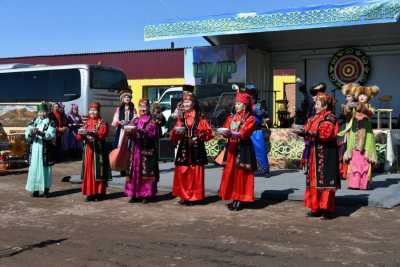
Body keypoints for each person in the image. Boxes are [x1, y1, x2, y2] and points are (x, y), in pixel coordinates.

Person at [298, 93, 340, 219]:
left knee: (325, 181)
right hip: (314, 154)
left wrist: (308, 132)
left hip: (326, 154)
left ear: (325, 106)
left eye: (317, 104)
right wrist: (302, 131)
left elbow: (325, 134)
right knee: (314, 181)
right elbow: (307, 129)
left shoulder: (331, 118)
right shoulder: (313, 118)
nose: (315, 106)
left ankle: (326, 209)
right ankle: (316, 207)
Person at [171, 85, 213, 205]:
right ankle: (184, 196)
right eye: (184, 102)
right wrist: (176, 131)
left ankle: (194, 196)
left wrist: (199, 135)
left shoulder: (199, 117)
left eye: (188, 101)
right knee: (183, 170)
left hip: (196, 147)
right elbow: (175, 133)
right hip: (184, 146)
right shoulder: (181, 116)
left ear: (193, 103)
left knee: (195, 172)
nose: (186, 104)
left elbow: (208, 132)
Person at [219, 85, 257, 211]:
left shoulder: (250, 118)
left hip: (243, 148)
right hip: (231, 148)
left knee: (241, 174)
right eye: (236, 103)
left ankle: (240, 198)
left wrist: (233, 133)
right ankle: (233, 197)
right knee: (231, 173)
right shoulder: (231, 118)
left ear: (245, 105)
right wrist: (224, 133)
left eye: (239, 104)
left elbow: (245, 132)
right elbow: (226, 128)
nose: (236, 106)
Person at [343, 85, 379, 190]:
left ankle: (363, 184)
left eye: (364, 95)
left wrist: (360, 108)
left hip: (366, 137)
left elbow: (369, 113)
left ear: (368, 97)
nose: (362, 97)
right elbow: (346, 113)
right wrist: (348, 107)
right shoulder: (353, 106)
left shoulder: (369, 108)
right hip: (354, 136)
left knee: (364, 161)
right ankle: (354, 183)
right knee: (354, 159)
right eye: (360, 95)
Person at [124, 99, 159, 203]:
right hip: (136, 150)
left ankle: (146, 195)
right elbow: (130, 134)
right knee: (134, 172)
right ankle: (134, 194)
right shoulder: (135, 120)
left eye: (145, 106)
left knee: (146, 172)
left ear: (148, 108)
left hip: (147, 150)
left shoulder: (152, 120)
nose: (143, 109)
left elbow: (153, 134)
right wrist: (129, 131)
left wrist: (141, 131)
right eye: (141, 106)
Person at [76, 102, 111, 202]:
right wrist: (81, 134)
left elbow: (102, 134)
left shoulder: (102, 122)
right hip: (89, 151)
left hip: (98, 151)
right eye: (91, 110)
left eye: (94, 110)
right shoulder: (86, 123)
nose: (92, 112)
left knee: (98, 171)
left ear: (98, 111)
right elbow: (78, 137)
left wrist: (94, 134)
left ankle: (99, 193)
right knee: (89, 172)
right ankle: (90, 193)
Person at [25, 102, 56, 198]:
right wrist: (31, 133)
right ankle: (35, 189)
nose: (42, 114)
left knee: (46, 169)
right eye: (40, 112)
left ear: (47, 112)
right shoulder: (34, 121)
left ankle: (46, 190)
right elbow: (26, 133)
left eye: (44, 112)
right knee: (34, 169)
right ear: (38, 113)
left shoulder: (51, 122)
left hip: (45, 150)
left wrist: (39, 132)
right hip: (34, 149)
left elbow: (50, 135)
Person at [112, 87, 136, 176]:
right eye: (126, 97)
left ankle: (128, 167)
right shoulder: (119, 109)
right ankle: (121, 167)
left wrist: (131, 122)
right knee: (121, 148)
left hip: (129, 132)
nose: (127, 98)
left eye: (129, 97)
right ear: (122, 98)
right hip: (122, 132)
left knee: (129, 149)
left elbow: (135, 118)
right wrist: (119, 122)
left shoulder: (133, 108)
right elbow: (115, 120)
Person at [246, 84, 270, 176]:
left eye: (252, 93)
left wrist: (257, 111)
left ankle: (264, 169)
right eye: (249, 93)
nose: (250, 95)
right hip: (246, 130)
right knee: (245, 150)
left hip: (257, 130)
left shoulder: (260, 102)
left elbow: (265, 114)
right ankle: (248, 168)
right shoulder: (245, 103)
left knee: (260, 150)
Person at [337, 83, 358, 180]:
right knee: (343, 149)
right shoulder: (344, 106)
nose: (347, 98)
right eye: (346, 96)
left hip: (355, 129)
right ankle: (342, 172)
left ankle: (352, 171)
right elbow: (341, 117)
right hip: (345, 129)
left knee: (353, 150)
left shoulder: (358, 106)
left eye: (349, 96)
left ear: (354, 97)